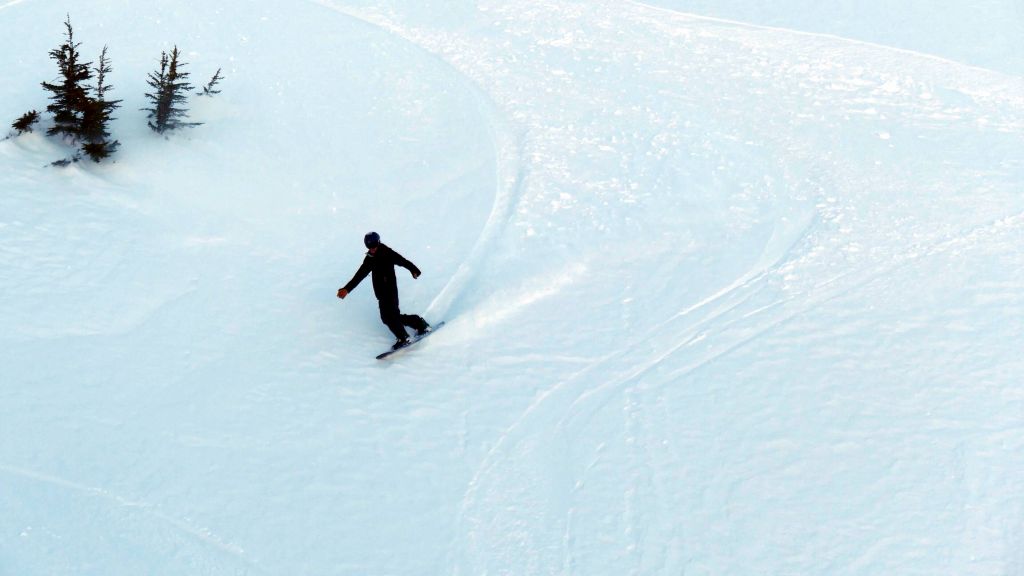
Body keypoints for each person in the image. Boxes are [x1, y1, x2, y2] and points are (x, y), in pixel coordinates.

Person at [337, 232, 431, 349]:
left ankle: (404, 337)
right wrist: (347, 289)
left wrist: (414, 270)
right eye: (370, 247)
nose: (372, 250)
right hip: (381, 293)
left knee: (388, 318)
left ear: (379, 243)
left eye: (374, 247)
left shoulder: (387, 253)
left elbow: (402, 261)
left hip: (390, 291)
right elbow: (359, 275)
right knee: (393, 317)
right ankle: (419, 324)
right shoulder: (369, 259)